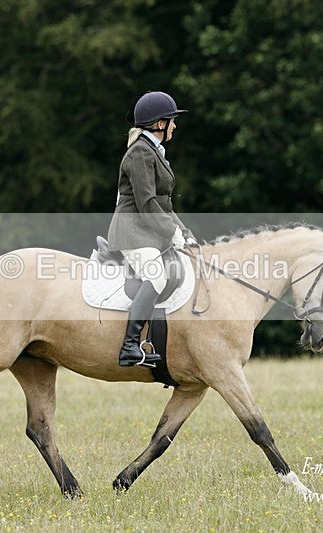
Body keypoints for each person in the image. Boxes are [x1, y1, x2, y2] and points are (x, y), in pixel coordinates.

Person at [108, 91, 197, 367]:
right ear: (160, 124)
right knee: (157, 276)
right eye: (171, 120)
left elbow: (164, 205)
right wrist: (172, 233)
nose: (175, 125)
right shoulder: (139, 154)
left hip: (147, 231)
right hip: (132, 233)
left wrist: (186, 233)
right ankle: (130, 346)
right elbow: (147, 204)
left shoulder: (153, 152)